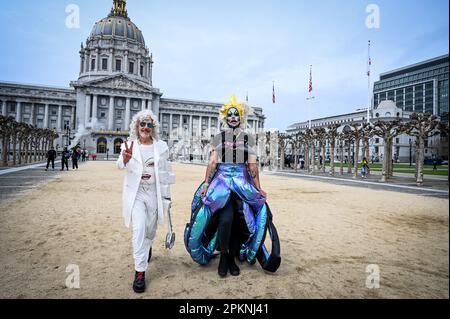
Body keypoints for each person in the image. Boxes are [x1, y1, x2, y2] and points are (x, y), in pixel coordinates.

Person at [184, 96, 281, 278]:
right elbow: (213, 163)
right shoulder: (218, 138)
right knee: (226, 218)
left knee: (241, 218)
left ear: (241, 117)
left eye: (237, 114)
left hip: (242, 182)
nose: (233, 117)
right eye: (230, 114)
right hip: (221, 182)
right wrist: (206, 184)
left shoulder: (248, 139)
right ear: (225, 118)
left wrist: (258, 188)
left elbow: (252, 166)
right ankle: (225, 258)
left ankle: (236, 255)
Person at [117, 110, 175, 294]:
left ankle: (147, 247)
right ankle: (140, 272)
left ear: (153, 127)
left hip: (154, 194)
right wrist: (124, 160)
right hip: (137, 194)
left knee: (150, 230)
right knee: (139, 228)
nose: (145, 128)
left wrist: (166, 197)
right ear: (137, 126)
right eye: (142, 124)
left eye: (149, 124)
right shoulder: (129, 145)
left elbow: (165, 175)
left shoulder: (161, 147)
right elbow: (119, 164)